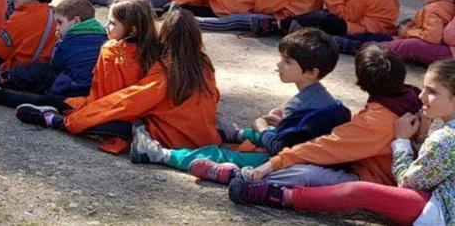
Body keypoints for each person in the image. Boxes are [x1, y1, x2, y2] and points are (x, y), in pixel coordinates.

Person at [247, 59, 455, 224]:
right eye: (424, 88)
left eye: (432, 91)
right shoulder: (411, 110)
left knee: (348, 187)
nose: (421, 96)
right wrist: (420, 137)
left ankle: (279, 194)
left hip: (439, 212)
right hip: (431, 199)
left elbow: (408, 183)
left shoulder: (441, 137)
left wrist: (402, 140)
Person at [134, 28, 349, 183]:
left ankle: (158, 154)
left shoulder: (300, 105)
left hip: (290, 163)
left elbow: (279, 148)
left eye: (287, 62)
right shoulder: (327, 101)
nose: (279, 65)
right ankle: (235, 134)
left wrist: (261, 125)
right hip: (312, 155)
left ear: (312, 72)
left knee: (221, 155)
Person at [228, 45, 422, 205]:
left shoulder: (377, 120)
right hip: (367, 167)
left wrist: (272, 164)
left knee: (305, 172)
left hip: (372, 179)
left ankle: (240, 177)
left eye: (287, 61)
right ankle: (243, 144)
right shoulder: (408, 99)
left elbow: (326, 146)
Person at [17, 9, 223, 156]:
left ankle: (53, 120)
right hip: (205, 133)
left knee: (109, 120)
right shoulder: (204, 64)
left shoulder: (166, 69)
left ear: (166, 37)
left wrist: (75, 120)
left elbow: (128, 101)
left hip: (172, 138)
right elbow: (213, 97)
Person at [0, 0, 157, 157]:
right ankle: (0, 95)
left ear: (132, 29)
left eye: (112, 23)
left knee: (53, 101)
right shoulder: (149, 51)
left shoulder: (111, 49)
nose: (107, 27)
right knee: (52, 99)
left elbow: (107, 96)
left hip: (105, 109)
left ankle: (1, 96)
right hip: (120, 110)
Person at [0, 0, 112, 106]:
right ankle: (2, 83)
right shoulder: (100, 35)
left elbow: (55, 64)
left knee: (38, 72)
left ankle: (4, 80)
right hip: (89, 90)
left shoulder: (67, 42)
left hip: (71, 89)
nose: (56, 28)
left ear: (76, 21)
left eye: (59, 23)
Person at [338, 0, 455, 65]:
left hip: (443, 50)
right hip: (438, 44)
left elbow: (432, 37)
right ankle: (346, 40)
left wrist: (407, 32)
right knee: (395, 36)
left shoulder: (434, 8)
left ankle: (351, 45)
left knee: (409, 45)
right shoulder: (445, 4)